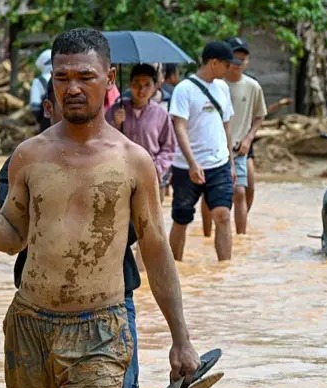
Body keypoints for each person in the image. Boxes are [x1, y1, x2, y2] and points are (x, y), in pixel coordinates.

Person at [0, 28, 200, 388]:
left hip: (102, 329)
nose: (73, 88)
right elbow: (13, 237)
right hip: (31, 326)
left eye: (85, 76)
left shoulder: (133, 161)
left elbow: (156, 250)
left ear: (109, 78)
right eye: (62, 77)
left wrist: (181, 339)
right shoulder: (29, 155)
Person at [0, 78, 145, 388]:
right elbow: (15, 230)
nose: (73, 99)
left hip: (112, 299)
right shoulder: (23, 160)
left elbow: (144, 237)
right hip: (39, 308)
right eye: (63, 91)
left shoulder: (123, 159)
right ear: (49, 108)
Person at [168, 40, 236, 262]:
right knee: (181, 218)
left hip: (219, 164)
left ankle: (224, 271)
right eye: (227, 64)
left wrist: (231, 162)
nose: (230, 69)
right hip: (186, 166)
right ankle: (175, 268)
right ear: (214, 63)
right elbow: (179, 126)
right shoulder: (184, 90)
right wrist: (192, 163)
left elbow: (226, 125)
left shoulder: (223, 88)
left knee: (223, 215)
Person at [200, 37, 266, 236]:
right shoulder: (216, 85)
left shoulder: (253, 87)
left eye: (242, 59)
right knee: (209, 194)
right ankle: (206, 235)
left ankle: (241, 238)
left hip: (241, 145)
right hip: (215, 146)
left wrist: (249, 139)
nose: (237, 63)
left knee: (242, 190)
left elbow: (259, 115)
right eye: (234, 59)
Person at [106, 63, 177, 204]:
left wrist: (156, 167)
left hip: (151, 178)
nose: (141, 89)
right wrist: (116, 124)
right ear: (129, 84)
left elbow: (169, 147)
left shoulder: (161, 114)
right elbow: (102, 140)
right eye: (136, 83)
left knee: (150, 222)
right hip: (121, 176)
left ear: (155, 86)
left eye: (147, 84)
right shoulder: (116, 109)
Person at [29, 49, 53, 132]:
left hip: (46, 123)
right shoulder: (65, 79)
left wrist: (40, 120)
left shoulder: (38, 82)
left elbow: (35, 106)